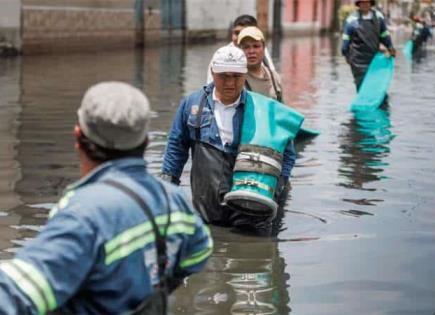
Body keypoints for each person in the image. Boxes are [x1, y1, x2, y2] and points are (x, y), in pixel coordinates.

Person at [0, 82, 212, 315]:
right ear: (144, 142)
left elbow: (15, 295)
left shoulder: (82, 214)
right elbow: (200, 250)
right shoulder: (174, 200)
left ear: (78, 136)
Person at [162, 46, 296, 234]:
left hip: (252, 213)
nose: (230, 83)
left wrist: (277, 186)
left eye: (236, 76)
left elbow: (288, 153)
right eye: (223, 76)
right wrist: (167, 191)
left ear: (245, 74)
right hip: (206, 212)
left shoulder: (262, 110)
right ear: (212, 72)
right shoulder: (192, 105)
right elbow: (176, 148)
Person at [341, 0, 396, 91]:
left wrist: (390, 47)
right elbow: (346, 39)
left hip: (374, 58)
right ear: (358, 4)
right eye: (362, 2)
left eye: (367, 2)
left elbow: (384, 34)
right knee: (361, 86)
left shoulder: (378, 17)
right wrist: (346, 54)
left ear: (371, 3)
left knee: (376, 86)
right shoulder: (351, 20)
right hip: (358, 60)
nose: (365, 4)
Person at [206, 14, 276, 84]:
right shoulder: (221, 55)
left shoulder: (261, 51)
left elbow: (272, 75)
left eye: (255, 46)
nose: (239, 38)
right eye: (236, 33)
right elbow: (210, 85)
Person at [237, 26, 283, 102]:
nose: (251, 51)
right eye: (246, 47)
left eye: (256, 46)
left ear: (264, 48)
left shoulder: (274, 78)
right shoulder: (235, 78)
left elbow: (282, 110)